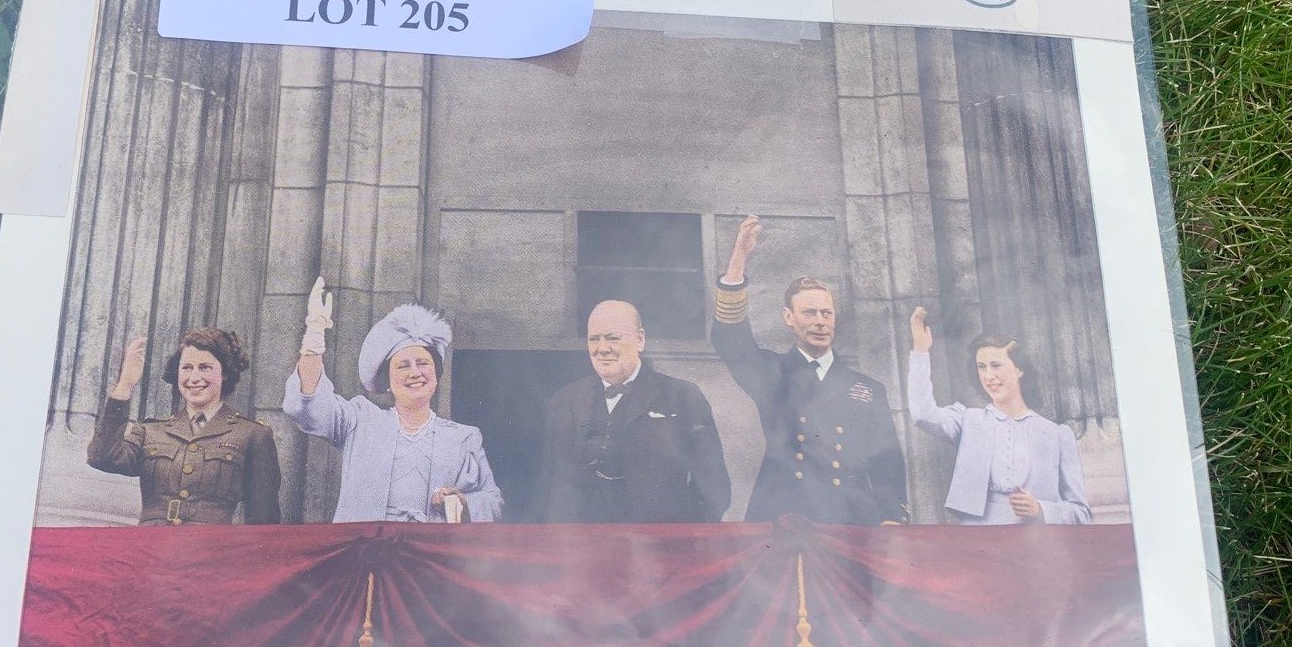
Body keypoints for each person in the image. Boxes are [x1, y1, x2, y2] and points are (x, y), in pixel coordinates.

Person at [711, 215, 907, 525]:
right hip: (785, 513)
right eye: (810, 313)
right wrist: (738, 261)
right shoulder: (771, 373)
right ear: (789, 317)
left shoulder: (867, 388)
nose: (820, 322)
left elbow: (887, 460)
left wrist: (892, 517)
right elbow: (730, 341)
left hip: (849, 516)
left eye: (826, 313)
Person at [282, 280, 502, 522]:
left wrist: (463, 501)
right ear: (387, 380)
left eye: (423, 363)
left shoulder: (464, 438)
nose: (415, 373)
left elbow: (493, 502)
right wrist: (314, 337)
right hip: (365, 543)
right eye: (403, 366)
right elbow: (310, 406)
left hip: (430, 545)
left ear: (437, 375)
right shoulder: (360, 420)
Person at [541, 299, 731, 524]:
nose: (602, 348)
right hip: (586, 541)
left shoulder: (682, 396)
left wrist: (684, 536)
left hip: (657, 540)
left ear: (639, 340)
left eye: (613, 338)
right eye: (594, 339)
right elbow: (550, 488)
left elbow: (714, 488)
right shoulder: (564, 401)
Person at [907, 307, 1091, 525]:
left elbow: (1081, 513)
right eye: (981, 367)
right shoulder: (968, 420)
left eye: (996, 365)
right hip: (978, 537)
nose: (988, 376)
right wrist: (920, 351)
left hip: (1033, 539)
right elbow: (922, 414)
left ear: (1019, 369)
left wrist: (1041, 509)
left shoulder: (1056, 435)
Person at [88, 327, 282, 525]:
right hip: (151, 542)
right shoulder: (150, 431)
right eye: (187, 368)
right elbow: (101, 458)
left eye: (204, 367)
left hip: (211, 544)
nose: (194, 378)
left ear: (224, 373)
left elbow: (263, 520)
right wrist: (125, 385)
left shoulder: (251, 434)